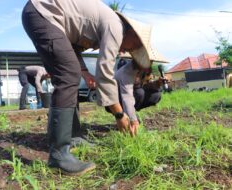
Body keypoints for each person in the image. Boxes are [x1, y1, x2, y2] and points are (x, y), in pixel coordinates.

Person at [21, 0, 166, 175]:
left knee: (71, 74)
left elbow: (71, 47)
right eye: (132, 47)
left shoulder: (108, 25)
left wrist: (84, 72)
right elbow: (105, 72)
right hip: (43, 13)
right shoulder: (116, 27)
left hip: (44, 15)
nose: (125, 51)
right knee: (68, 76)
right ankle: (59, 155)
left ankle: (73, 137)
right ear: (133, 35)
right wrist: (120, 114)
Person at [114, 59, 168, 135]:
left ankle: (129, 115)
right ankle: (125, 118)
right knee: (139, 93)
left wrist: (157, 83)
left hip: (131, 96)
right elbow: (127, 97)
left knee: (155, 95)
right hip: (115, 101)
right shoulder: (126, 72)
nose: (150, 64)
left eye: (151, 62)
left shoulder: (142, 71)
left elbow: (145, 86)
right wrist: (133, 120)